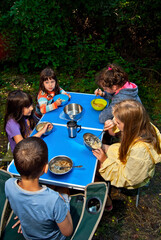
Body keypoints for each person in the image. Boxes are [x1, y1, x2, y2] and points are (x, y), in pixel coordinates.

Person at [92, 100, 161, 207]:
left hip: (131, 175)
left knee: (94, 165)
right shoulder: (142, 125)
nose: (115, 122)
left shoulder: (140, 152)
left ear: (130, 125)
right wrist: (113, 123)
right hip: (127, 155)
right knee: (102, 147)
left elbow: (129, 177)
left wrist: (105, 161)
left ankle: (106, 200)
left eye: (118, 122)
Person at [5, 137, 73, 240]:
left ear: (15, 165)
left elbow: (22, 204)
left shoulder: (9, 185)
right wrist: (62, 202)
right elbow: (67, 232)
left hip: (28, 235)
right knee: (64, 193)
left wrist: (26, 218)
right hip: (53, 238)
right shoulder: (54, 200)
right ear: (46, 168)